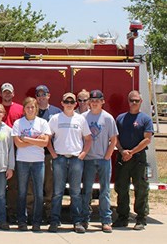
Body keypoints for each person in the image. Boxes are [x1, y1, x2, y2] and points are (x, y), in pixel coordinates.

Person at [47, 92, 92, 233]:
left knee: (75, 192)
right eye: (66, 101)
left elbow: (88, 139)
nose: (69, 104)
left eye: (72, 102)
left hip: (76, 159)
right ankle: (54, 221)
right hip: (59, 158)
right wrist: (53, 154)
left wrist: (83, 153)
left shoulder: (81, 119)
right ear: (62, 103)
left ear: (75, 104)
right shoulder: (55, 119)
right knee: (57, 192)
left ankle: (77, 222)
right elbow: (47, 137)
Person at [113, 90, 153, 230]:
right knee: (121, 188)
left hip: (138, 158)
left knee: (141, 188)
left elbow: (147, 139)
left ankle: (141, 218)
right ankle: (122, 217)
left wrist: (132, 152)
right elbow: (115, 138)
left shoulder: (145, 119)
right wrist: (122, 150)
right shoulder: (120, 118)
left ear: (141, 102)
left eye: (137, 100)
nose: (134, 103)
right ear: (128, 102)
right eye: (132, 100)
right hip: (123, 157)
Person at [80, 90, 117, 233]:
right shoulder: (83, 117)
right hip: (88, 160)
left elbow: (113, 139)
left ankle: (106, 221)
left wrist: (107, 156)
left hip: (103, 160)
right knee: (87, 191)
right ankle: (84, 220)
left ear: (103, 101)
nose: (94, 102)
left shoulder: (108, 118)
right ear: (89, 102)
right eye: (92, 100)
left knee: (105, 191)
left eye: (98, 100)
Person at [12, 97, 51, 231]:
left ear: (36, 109)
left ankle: (36, 222)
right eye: (27, 107)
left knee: (38, 193)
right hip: (22, 161)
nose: (30, 109)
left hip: (38, 162)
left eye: (32, 107)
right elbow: (18, 144)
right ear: (24, 109)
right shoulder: (18, 123)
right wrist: (36, 140)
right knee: (22, 192)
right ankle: (22, 221)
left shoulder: (43, 123)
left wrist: (27, 139)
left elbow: (45, 143)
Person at [0, 82, 23, 223]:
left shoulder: (20, 109)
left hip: (15, 150)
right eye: (4, 91)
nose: (7, 94)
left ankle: (11, 212)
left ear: (13, 94)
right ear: (1, 94)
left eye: (9, 92)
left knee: (13, 185)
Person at [35, 84, 61, 220]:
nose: (41, 97)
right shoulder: (32, 111)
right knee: (35, 185)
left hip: (49, 154)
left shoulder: (56, 112)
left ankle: (50, 211)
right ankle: (36, 211)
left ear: (49, 95)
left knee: (50, 185)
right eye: (38, 95)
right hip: (34, 155)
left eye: (44, 94)